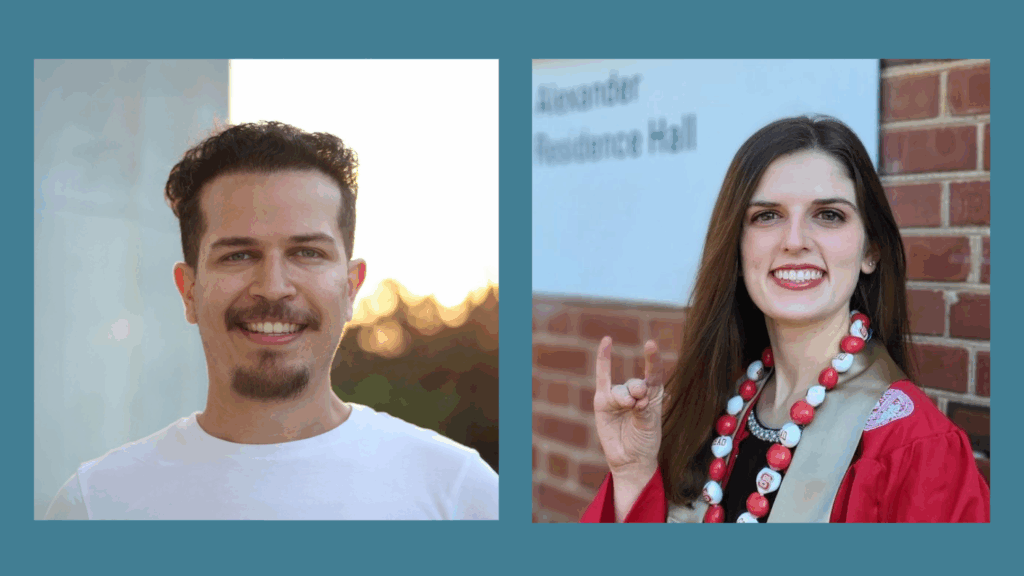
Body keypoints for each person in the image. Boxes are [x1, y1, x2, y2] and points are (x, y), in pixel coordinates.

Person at [45, 121, 499, 520]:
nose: (274, 286)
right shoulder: (96, 506)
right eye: (239, 254)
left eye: (307, 252)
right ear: (189, 291)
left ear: (350, 288)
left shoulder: (460, 494)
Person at [581, 116, 989, 523]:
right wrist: (634, 474)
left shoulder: (912, 444)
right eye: (767, 216)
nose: (795, 241)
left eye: (829, 215)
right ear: (738, 251)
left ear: (871, 250)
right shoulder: (711, 408)